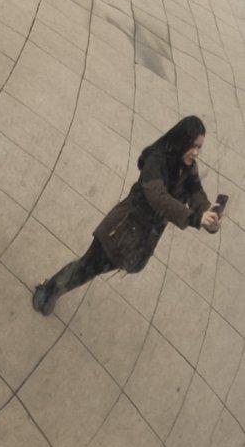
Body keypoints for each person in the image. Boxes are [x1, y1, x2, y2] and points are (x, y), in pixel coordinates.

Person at [33, 118, 225, 313]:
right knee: (88, 266)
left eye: (199, 147)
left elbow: (196, 194)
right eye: (193, 146)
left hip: (140, 241)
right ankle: (50, 288)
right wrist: (194, 218)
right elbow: (157, 196)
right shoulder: (156, 160)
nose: (196, 152)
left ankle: (55, 289)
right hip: (120, 229)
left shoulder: (189, 167)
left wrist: (208, 215)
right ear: (181, 140)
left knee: (93, 269)